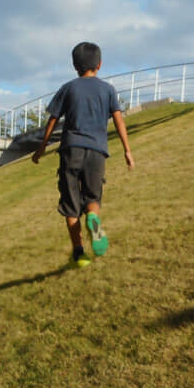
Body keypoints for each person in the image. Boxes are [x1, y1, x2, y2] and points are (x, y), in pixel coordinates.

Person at [31, 42, 136, 268]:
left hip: (71, 150)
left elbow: (52, 121)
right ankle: (93, 218)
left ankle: (79, 253)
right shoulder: (108, 90)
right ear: (99, 65)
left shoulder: (68, 88)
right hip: (97, 151)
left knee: (70, 203)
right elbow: (118, 119)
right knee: (93, 197)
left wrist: (41, 149)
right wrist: (127, 150)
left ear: (75, 66)